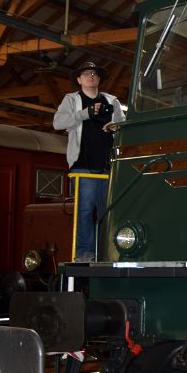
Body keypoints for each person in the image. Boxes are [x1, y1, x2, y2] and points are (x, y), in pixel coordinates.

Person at [53, 61, 125, 262]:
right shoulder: (71, 100)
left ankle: (105, 251)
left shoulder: (112, 101)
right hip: (83, 165)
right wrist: (86, 114)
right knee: (84, 210)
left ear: (99, 78)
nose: (90, 76)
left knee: (107, 212)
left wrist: (115, 126)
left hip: (107, 166)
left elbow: (124, 127)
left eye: (94, 73)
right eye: (86, 74)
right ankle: (84, 252)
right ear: (79, 80)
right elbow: (58, 122)